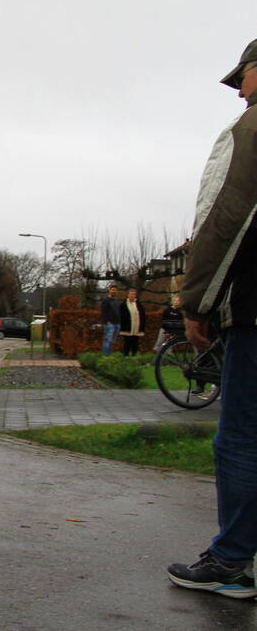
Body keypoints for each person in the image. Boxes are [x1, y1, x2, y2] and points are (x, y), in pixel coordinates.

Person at [167, 39, 257, 599]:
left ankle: (230, 562)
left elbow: (227, 218)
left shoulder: (249, 132)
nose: (240, 89)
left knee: (242, 437)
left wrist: (196, 303)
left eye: (243, 76)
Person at [118, 288, 146, 356]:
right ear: (127, 295)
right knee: (127, 342)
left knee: (135, 342)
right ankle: (126, 355)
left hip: (137, 327)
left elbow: (143, 315)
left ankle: (134, 355)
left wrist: (142, 325)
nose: (132, 296)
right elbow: (121, 316)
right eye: (130, 294)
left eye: (134, 294)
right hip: (128, 327)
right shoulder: (123, 305)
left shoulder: (139, 305)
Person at [100, 285, 120, 355]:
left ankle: (109, 355)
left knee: (112, 341)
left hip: (117, 323)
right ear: (109, 290)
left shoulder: (115, 301)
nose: (114, 291)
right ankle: (105, 356)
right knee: (107, 340)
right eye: (112, 289)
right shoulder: (106, 300)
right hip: (109, 324)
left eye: (115, 290)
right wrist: (107, 322)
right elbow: (103, 312)